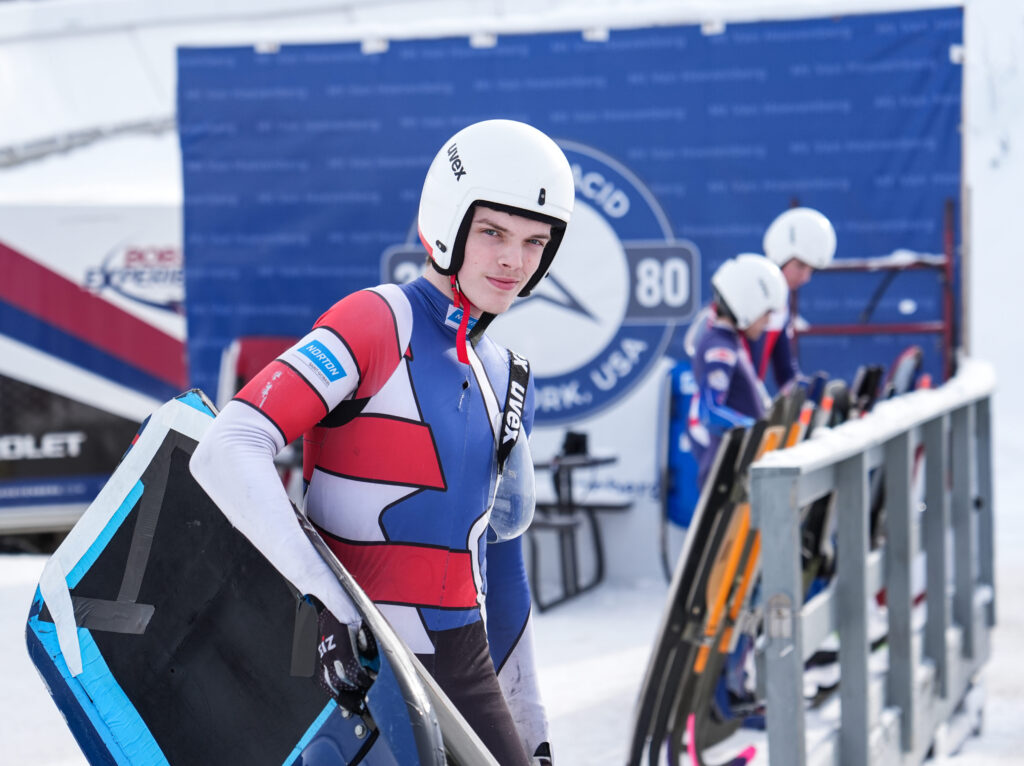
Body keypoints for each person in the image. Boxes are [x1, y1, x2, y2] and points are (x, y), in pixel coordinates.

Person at [190, 119, 575, 766]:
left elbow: (502, 567)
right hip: (354, 678)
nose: (514, 260)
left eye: (535, 242)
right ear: (448, 223)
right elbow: (229, 443)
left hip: (464, 674)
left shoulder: (510, 378)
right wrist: (328, 604)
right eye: (493, 233)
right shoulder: (375, 320)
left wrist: (530, 725)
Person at [684, 254, 788, 488]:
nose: (768, 321)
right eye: (766, 313)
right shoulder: (720, 347)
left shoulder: (730, 342)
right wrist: (756, 430)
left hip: (735, 469)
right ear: (748, 304)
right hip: (726, 477)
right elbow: (710, 412)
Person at [752, 206, 837, 391]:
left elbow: (786, 374)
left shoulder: (781, 302)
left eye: (811, 270)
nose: (805, 278)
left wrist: (816, 395)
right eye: (800, 265)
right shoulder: (749, 295)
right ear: (780, 254)